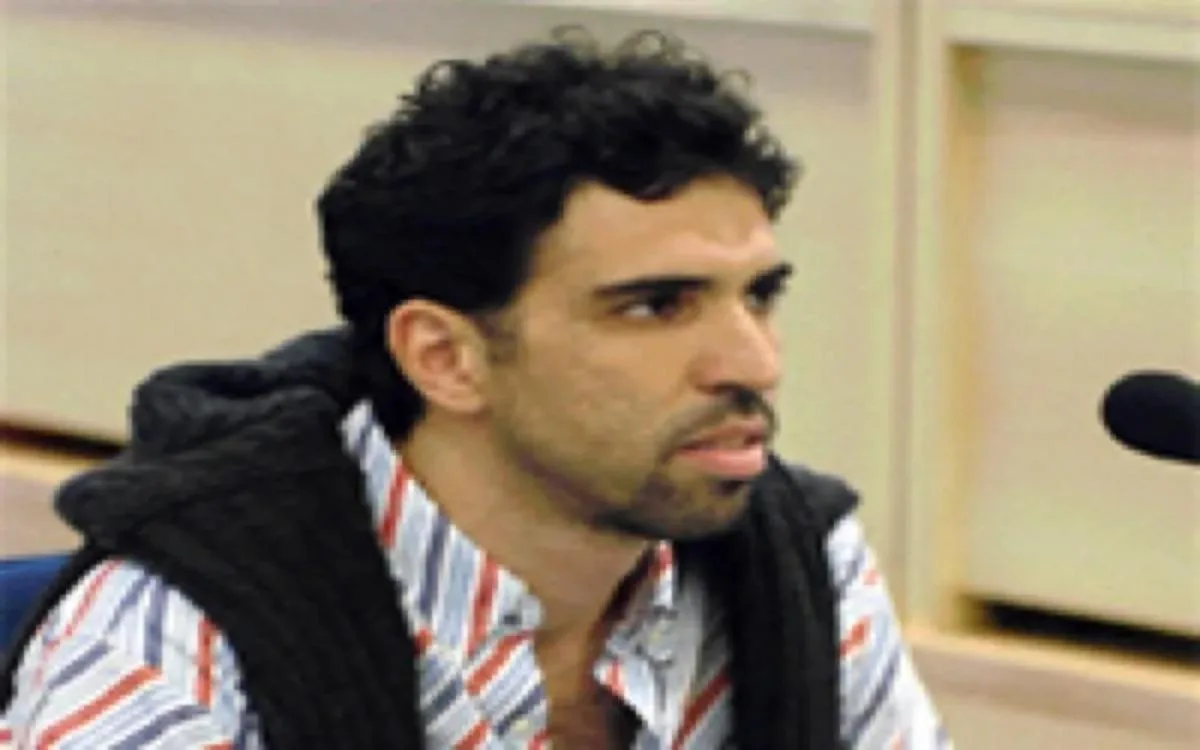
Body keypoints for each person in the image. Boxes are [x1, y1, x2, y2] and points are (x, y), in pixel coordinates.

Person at [0, 28, 950, 749]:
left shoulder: (797, 557)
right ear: (445, 358)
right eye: (656, 306)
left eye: (759, 296)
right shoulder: (176, 642)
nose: (752, 363)